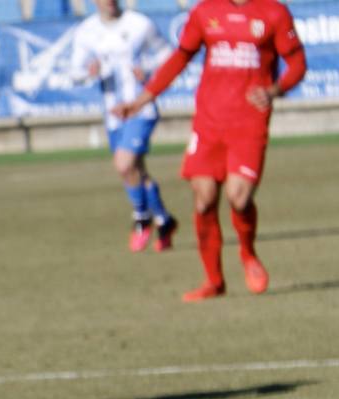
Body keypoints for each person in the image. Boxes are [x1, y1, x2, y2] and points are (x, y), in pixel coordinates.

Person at [114, 0, 306, 301]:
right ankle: (214, 282)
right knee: (204, 200)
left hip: (249, 122)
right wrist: (141, 101)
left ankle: (248, 253)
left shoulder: (273, 12)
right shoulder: (205, 12)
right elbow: (179, 58)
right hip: (209, 121)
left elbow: (297, 64)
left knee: (238, 197)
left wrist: (273, 91)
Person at [69, 0, 177, 252]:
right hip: (113, 113)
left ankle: (141, 217)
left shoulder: (139, 24)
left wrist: (148, 69)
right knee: (136, 170)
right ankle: (165, 220)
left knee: (123, 163)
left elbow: (168, 55)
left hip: (141, 107)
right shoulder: (86, 31)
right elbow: (74, 72)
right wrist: (88, 71)